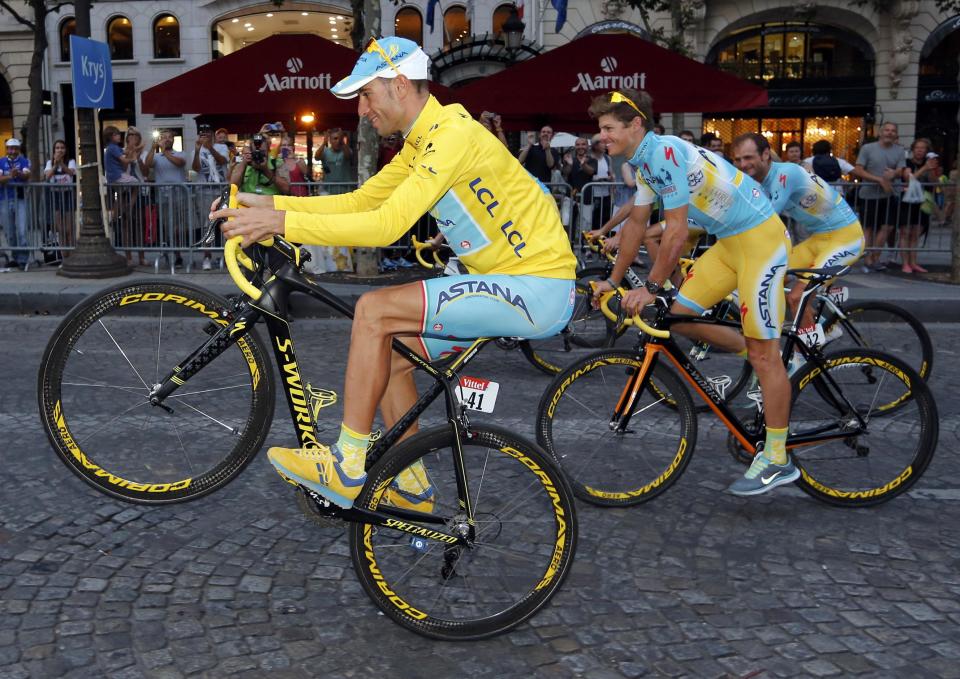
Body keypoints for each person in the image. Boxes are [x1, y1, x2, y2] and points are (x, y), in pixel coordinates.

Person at [211, 37, 577, 510]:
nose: (361, 109)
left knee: (374, 310)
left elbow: (386, 226)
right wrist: (267, 203)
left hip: (536, 286)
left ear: (400, 84)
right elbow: (364, 201)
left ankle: (346, 465)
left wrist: (280, 224)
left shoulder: (452, 135)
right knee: (391, 359)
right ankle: (412, 486)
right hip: (513, 282)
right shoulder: (424, 139)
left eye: (366, 94)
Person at [588, 89, 794, 496]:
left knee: (765, 353)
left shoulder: (663, 153)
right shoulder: (643, 162)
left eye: (608, 128)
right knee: (678, 317)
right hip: (730, 244)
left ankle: (777, 458)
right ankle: (749, 357)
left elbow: (677, 232)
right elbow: (635, 227)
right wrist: (613, 280)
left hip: (761, 242)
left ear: (635, 125)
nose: (602, 137)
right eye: (600, 130)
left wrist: (649, 288)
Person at [732, 132, 864, 333]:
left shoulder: (786, 174)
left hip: (846, 238)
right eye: (737, 159)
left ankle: (806, 353)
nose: (742, 164)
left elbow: (762, 220)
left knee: (796, 297)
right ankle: (818, 328)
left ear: (766, 154)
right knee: (772, 277)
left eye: (748, 157)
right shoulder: (760, 182)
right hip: (819, 238)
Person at [851, 121, 905, 271]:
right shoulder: (867, 148)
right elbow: (858, 169)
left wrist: (893, 173)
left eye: (893, 131)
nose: (889, 133)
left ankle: (876, 256)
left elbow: (901, 170)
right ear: (880, 133)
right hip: (869, 194)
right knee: (868, 228)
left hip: (889, 194)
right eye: (887, 130)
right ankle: (868, 259)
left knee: (887, 226)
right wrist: (879, 179)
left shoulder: (900, 150)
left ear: (896, 135)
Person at [145, 129, 188, 267]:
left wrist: (164, 151)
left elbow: (179, 163)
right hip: (162, 197)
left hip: (179, 197)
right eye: (164, 137)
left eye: (170, 137)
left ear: (174, 140)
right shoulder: (157, 156)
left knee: (178, 228)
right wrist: (153, 148)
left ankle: (178, 254)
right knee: (167, 227)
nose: (167, 139)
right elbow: (148, 164)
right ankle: (174, 254)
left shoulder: (180, 153)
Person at [192, 125, 230, 269]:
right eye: (202, 134)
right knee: (206, 225)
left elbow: (222, 161)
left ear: (213, 135)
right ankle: (206, 257)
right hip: (204, 192)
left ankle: (227, 256)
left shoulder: (221, 147)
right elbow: (195, 169)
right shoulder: (196, 149)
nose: (205, 136)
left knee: (225, 223)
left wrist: (210, 148)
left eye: (208, 133)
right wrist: (197, 151)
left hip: (221, 191)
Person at [900, 139, 934, 274]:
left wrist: (931, 169)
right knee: (905, 232)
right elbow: (909, 178)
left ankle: (913, 262)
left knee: (916, 234)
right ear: (913, 150)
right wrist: (924, 168)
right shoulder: (907, 162)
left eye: (923, 148)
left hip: (923, 201)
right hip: (908, 201)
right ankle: (905, 263)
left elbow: (933, 181)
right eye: (917, 148)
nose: (920, 150)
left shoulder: (929, 164)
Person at [0, 138, 30, 269]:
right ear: (7, 149)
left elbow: (27, 176)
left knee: (22, 231)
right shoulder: (1, 162)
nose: (12, 151)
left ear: (18, 150)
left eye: (14, 148)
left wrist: (18, 174)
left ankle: (23, 260)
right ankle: (16, 257)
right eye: (10, 148)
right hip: (4, 200)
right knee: (9, 232)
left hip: (20, 199)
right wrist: (11, 176)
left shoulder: (24, 161)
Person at [43, 139, 76, 251]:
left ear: (65, 150)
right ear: (53, 151)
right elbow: (47, 176)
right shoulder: (49, 162)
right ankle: (64, 255)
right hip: (55, 195)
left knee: (69, 228)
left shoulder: (70, 161)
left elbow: (71, 172)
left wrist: (61, 163)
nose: (60, 150)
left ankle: (71, 253)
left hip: (67, 194)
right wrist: (55, 165)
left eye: (62, 148)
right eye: (57, 148)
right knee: (60, 228)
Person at [314, 127, 353, 194]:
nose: (337, 141)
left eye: (339, 138)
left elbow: (348, 156)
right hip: (328, 189)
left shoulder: (346, 150)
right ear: (330, 140)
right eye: (335, 138)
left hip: (345, 190)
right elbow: (316, 157)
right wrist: (324, 143)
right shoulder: (326, 151)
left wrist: (342, 141)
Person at [587, 134, 614, 229]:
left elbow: (611, 173)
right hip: (593, 196)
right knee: (593, 220)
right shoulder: (588, 158)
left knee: (605, 219)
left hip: (606, 195)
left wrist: (611, 177)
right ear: (595, 145)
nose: (605, 145)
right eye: (603, 142)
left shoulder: (607, 158)